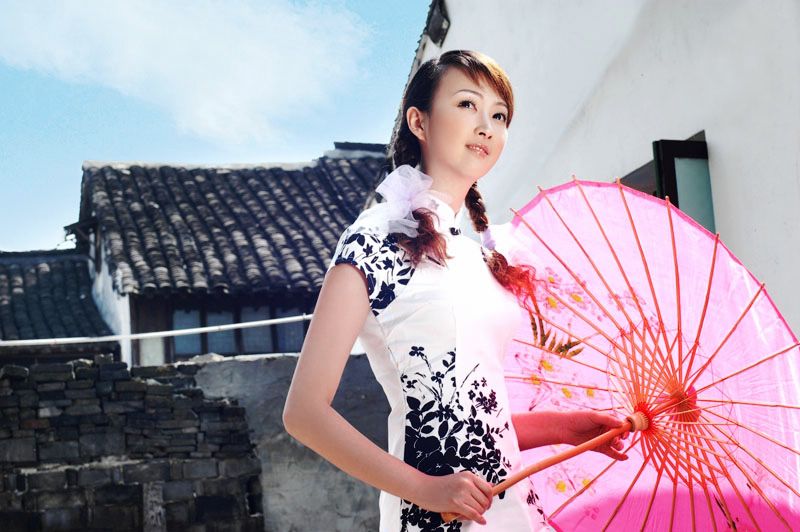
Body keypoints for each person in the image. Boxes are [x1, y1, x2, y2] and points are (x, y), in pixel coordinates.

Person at [283, 50, 627, 532]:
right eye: (467, 105)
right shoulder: (373, 241)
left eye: (499, 116)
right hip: (431, 516)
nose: (486, 126)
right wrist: (426, 489)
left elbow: (474, 415)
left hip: (509, 507)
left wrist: (564, 427)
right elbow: (303, 413)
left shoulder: (480, 257)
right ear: (419, 122)